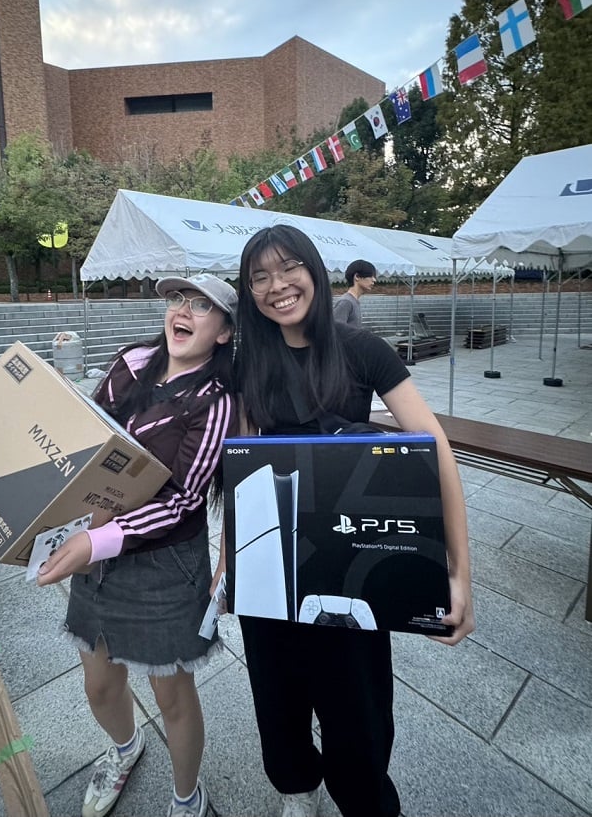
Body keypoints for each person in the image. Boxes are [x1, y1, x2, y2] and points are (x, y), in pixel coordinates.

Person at [229, 225, 474, 817]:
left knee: (357, 712)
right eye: (258, 277)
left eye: (287, 269)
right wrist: (227, 570)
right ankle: (296, 791)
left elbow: (434, 450)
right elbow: (241, 474)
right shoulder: (248, 362)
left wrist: (460, 574)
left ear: (314, 270)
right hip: (271, 567)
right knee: (277, 699)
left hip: (348, 564)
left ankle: (364, 800)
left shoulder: (361, 349)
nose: (275, 287)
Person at [38, 273, 238, 817]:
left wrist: (94, 541)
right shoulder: (131, 363)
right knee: (100, 683)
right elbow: (89, 438)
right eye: (178, 299)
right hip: (96, 550)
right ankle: (126, 748)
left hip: (165, 564)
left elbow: (183, 501)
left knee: (171, 695)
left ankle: (187, 796)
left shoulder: (215, 400)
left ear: (223, 333)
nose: (184, 311)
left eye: (202, 306)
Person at [332, 258, 377, 329]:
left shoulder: (354, 301)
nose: (374, 280)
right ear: (357, 276)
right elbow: (336, 331)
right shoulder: (346, 302)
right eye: (371, 276)